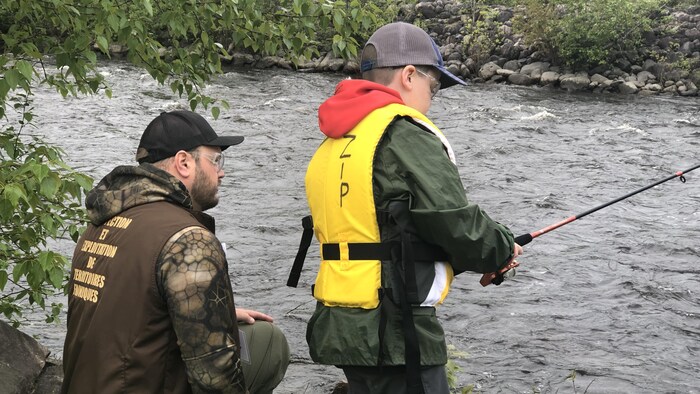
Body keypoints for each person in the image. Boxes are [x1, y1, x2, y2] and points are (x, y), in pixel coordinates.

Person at [288, 22, 523, 393]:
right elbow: (453, 220)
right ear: (409, 75)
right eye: (433, 88)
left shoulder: (335, 140)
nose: (432, 101)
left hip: (341, 323)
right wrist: (500, 248)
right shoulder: (404, 134)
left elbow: (384, 233)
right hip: (395, 333)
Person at [62, 110, 290, 394]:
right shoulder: (188, 239)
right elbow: (215, 378)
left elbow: (126, 313)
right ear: (184, 162)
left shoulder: (101, 224)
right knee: (265, 340)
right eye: (216, 159)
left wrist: (218, 313)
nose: (222, 171)